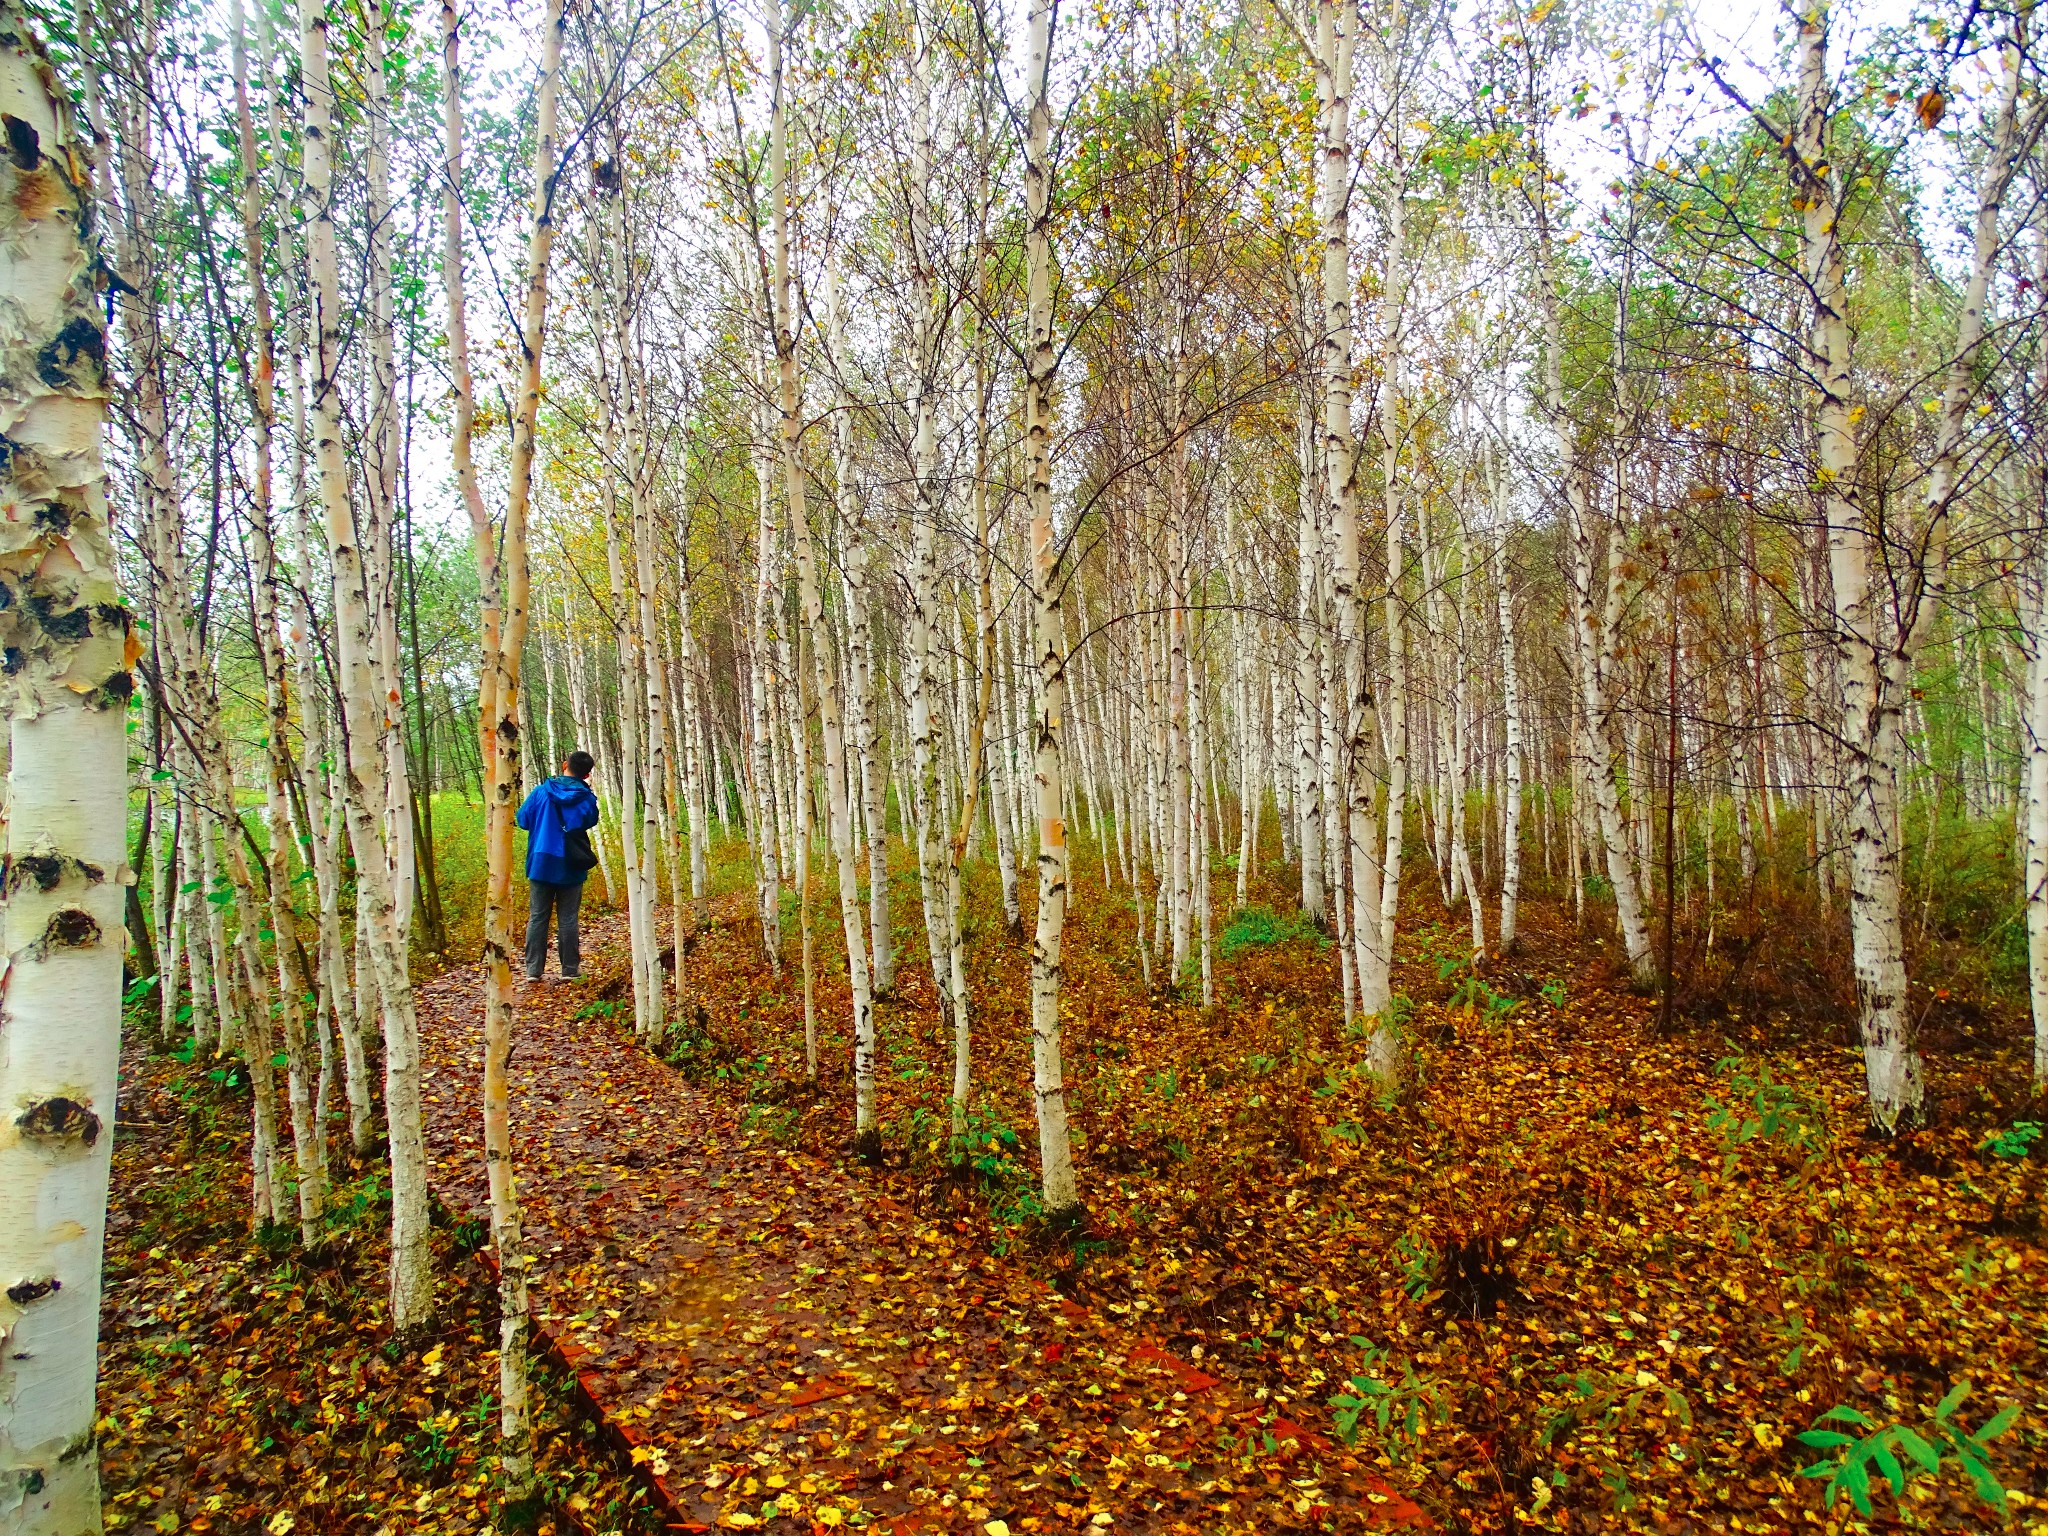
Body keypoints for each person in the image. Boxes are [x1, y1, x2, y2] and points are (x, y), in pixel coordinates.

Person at [516, 750, 601, 982]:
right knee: (568, 918)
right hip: (571, 862)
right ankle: (570, 970)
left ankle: (533, 971)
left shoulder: (541, 792)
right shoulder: (586, 797)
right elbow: (590, 820)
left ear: (565, 765)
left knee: (538, 917)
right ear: (587, 774)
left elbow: (522, 820)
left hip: (541, 860)